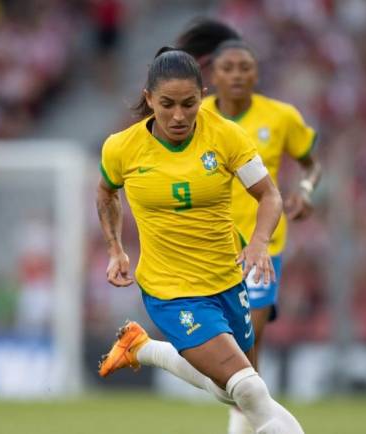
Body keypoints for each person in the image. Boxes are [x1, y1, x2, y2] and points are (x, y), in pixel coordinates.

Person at [96, 47, 304, 434]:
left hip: (227, 279)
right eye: (167, 104)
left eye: (189, 103)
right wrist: (115, 249)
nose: (179, 115)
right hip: (170, 291)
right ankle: (145, 347)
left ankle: (143, 349)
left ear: (202, 95)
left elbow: (270, 195)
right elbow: (106, 193)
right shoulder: (121, 148)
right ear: (149, 99)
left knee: (236, 392)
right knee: (251, 390)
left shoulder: (225, 135)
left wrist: (259, 242)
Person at [176, 19, 322, 434]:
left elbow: (312, 163)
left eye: (246, 68)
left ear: (257, 74)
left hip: (261, 246)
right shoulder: (194, 116)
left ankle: (241, 425)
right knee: (225, 356)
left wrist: (307, 190)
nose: (238, 75)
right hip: (206, 246)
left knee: (247, 345)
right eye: (229, 68)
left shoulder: (281, 117)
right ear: (212, 76)